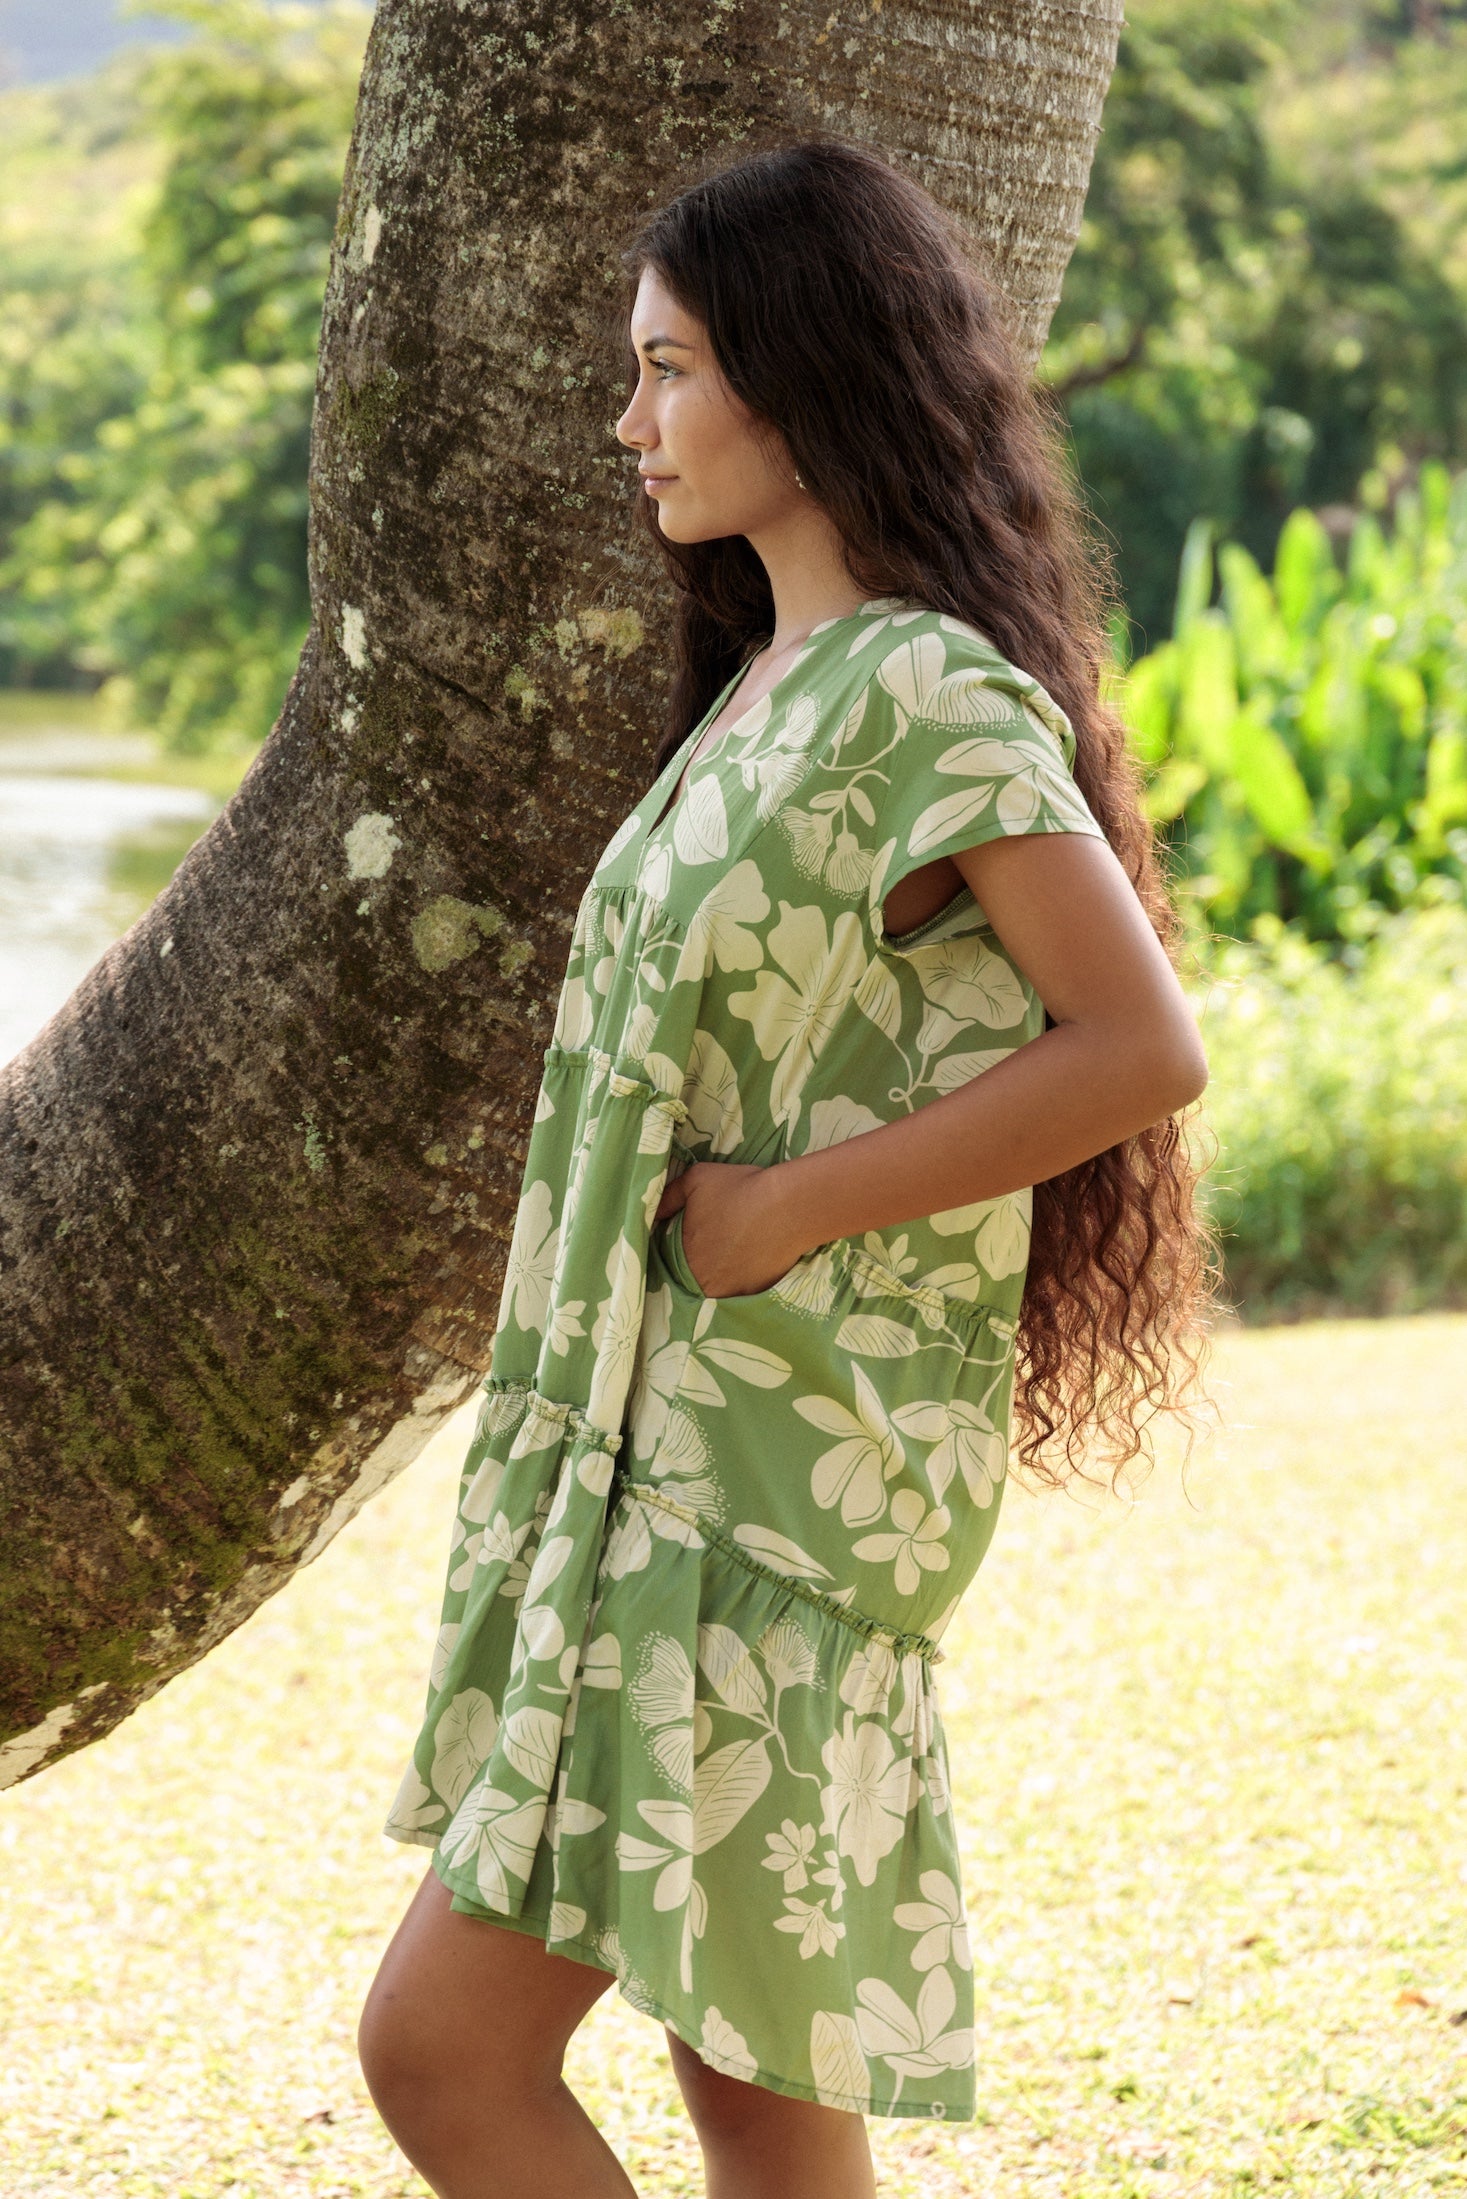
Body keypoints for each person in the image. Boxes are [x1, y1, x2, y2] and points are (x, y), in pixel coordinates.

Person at [357, 136, 1216, 2199]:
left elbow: (1135, 1044)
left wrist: (782, 1210)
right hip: (644, 1465)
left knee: (439, 2046)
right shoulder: (762, 688)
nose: (625, 416)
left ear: (797, 378)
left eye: (663, 368)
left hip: (757, 1481)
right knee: (748, 2073)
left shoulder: (920, 690)